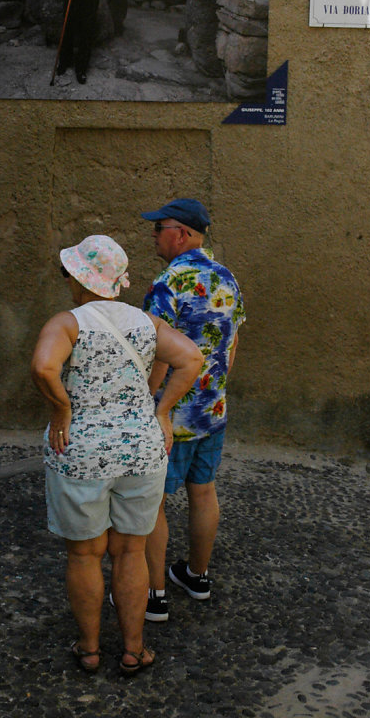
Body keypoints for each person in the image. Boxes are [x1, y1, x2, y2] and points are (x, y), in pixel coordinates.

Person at [31, 235, 202, 676]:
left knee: (85, 555)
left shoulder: (68, 322)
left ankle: (89, 649)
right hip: (142, 449)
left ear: (79, 278)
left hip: (81, 448)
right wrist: (161, 413)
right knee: (131, 551)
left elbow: (43, 367)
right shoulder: (147, 322)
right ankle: (133, 649)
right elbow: (191, 358)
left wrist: (62, 408)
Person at [141, 198, 245, 622]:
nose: (153, 235)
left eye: (158, 227)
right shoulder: (227, 278)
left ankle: (153, 595)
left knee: (153, 505)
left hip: (171, 415)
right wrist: (215, 390)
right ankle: (197, 576)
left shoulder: (169, 283)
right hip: (211, 411)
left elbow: (158, 351)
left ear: (180, 233)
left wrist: (149, 404)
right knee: (203, 492)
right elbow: (232, 343)